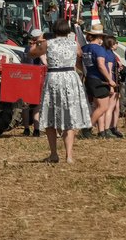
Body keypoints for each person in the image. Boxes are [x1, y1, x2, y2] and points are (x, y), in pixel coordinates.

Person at [32, 18, 91, 163]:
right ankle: (69, 156)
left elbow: (31, 53)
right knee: (69, 116)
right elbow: (80, 56)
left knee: (50, 115)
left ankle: (54, 154)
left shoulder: (48, 43)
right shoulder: (74, 44)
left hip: (54, 77)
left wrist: (38, 42)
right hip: (70, 77)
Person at [82, 25, 119, 137]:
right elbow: (101, 65)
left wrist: (84, 72)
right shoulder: (99, 49)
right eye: (102, 37)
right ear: (99, 37)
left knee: (98, 106)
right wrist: (110, 80)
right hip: (99, 80)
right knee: (103, 107)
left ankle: (99, 130)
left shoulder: (85, 48)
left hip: (89, 78)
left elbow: (79, 61)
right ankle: (87, 128)